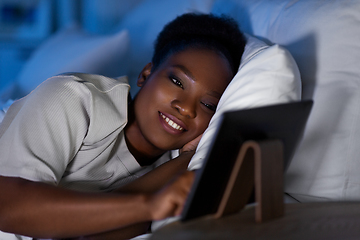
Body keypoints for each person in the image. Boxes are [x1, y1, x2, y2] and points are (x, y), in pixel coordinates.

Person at [0, 13, 245, 239]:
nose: (186, 108)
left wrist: (186, 160)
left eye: (208, 104)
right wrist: (148, 205)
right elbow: (6, 205)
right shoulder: (73, 98)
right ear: (146, 74)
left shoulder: (176, 168)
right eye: (176, 81)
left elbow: (87, 234)